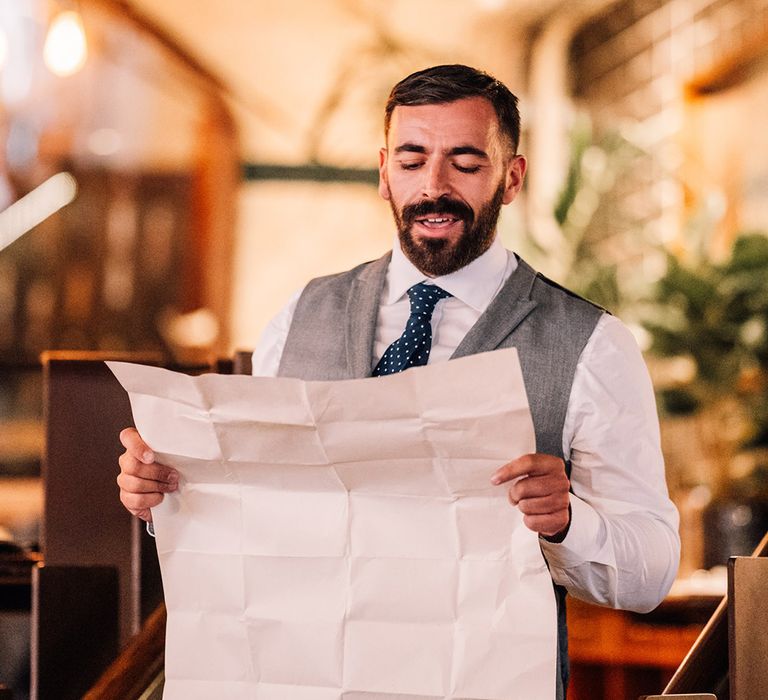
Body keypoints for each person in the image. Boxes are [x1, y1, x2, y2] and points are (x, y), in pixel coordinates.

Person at [117, 64, 680, 698]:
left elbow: (650, 571)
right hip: (301, 680)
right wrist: (165, 495)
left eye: (465, 163)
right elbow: (254, 512)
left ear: (512, 177)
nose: (433, 187)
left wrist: (568, 522)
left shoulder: (594, 346)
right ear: (384, 172)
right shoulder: (299, 317)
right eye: (412, 161)